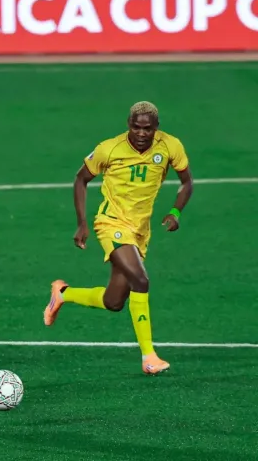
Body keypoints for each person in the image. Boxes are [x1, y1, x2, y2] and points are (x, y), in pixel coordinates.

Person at [44, 102, 193, 375]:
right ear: (128, 124)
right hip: (111, 223)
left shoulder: (171, 146)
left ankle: (63, 294)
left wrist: (175, 212)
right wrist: (82, 223)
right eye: (136, 126)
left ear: (156, 128)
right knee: (141, 280)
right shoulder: (109, 148)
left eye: (147, 128)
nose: (141, 133)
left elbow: (187, 182)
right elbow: (81, 179)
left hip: (139, 231)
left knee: (114, 302)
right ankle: (149, 356)